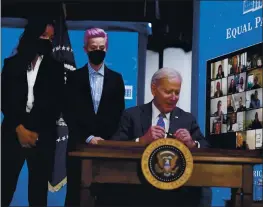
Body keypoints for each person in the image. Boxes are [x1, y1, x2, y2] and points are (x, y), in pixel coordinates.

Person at [110, 68, 211, 207]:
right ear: (153, 89)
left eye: (177, 92)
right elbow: (115, 146)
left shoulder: (187, 119)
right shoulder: (132, 115)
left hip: (178, 191)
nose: (174, 97)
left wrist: (192, 143)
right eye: (168, 92)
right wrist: (141, 141)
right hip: (139, 188)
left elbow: (205, 146)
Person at [1, 19, 64, 206]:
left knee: (38, 194)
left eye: (51, 38)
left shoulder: (55, 68)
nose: (47, 41)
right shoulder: (11, 64)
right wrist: (19, 128)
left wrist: (34, 133)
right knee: (4, 188)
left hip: (42, 136)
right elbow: (5, 99)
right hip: (13, 132)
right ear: (32, 36)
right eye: (44, 36)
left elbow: (55, 104)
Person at [64, 27, 125, 206]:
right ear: (85, 49)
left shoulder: (116, 79)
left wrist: (104, 140)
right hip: (79, 146)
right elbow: (69, 112)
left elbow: (118, 114)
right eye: (93, 48)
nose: (97, 52)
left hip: (106, 148)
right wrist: (89, 137)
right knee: (75, 195)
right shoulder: (74, 78)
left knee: (106, 196)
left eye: (101, 48)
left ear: (106, 48)